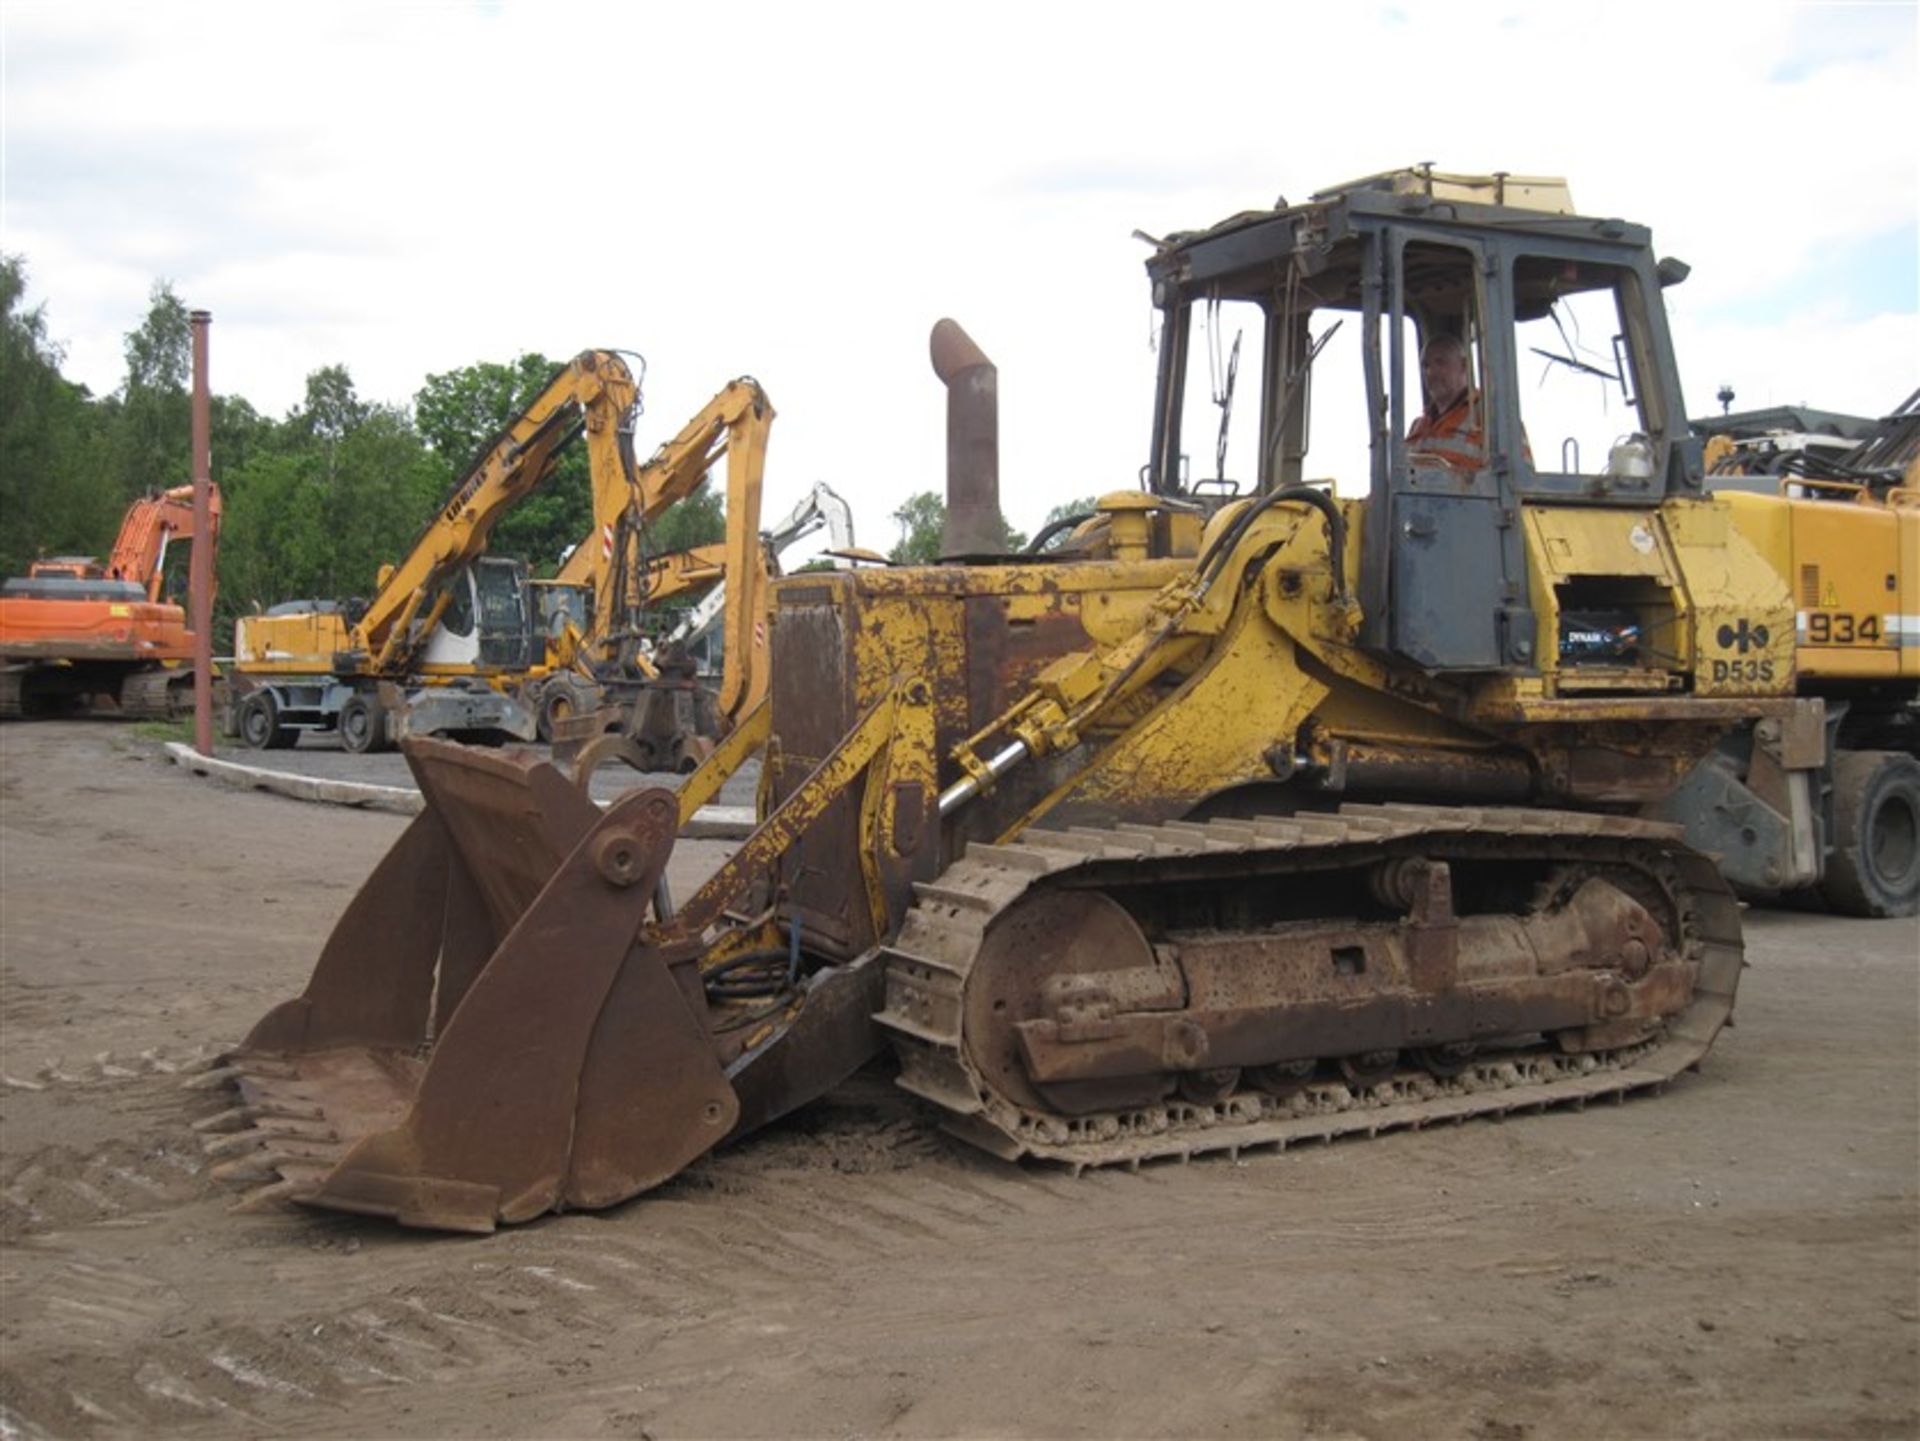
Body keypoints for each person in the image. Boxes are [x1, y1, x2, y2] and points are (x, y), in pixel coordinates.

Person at [1406, 332, 1485, 469]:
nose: (1430, 373)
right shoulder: (1417, 427)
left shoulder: (1490, 418)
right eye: (1425, 366)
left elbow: (1517, 482)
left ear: (1464, 366)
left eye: (1440, 362)